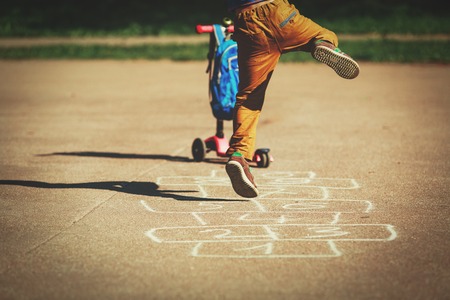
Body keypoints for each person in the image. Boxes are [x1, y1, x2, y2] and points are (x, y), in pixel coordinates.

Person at [224, 0, 360, 198]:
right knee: (323, 34)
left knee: (249, 97)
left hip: (247, 25)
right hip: (278, 13)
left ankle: (239, 155)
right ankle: (322, 44)